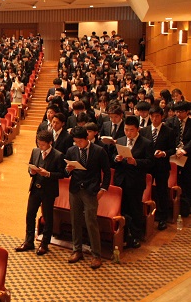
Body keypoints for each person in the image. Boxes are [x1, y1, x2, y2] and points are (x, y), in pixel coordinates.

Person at [65, 126, 110, 269]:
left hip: (91, 190)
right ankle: (77, 250)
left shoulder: (99, 151)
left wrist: (103, 189)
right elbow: (66, 172)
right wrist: (68, 170)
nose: (78, 144)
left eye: (80, 141)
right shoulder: (72, 151)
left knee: (91, 222)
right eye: (75, 141)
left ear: (87, 138)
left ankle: (96, 255)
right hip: (75, 189)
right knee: (75, 220)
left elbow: (107, 172)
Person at [16, 130, 65, 255]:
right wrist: (31, 171)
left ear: (50, 143)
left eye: (43, 144)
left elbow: (62, 174)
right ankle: (28, 241)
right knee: (30, 214)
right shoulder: (35, 151)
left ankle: (44, 244)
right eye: (39, 144)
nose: (40, 147)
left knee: (47, 217)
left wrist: (48, 174)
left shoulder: (58, 155)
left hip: (48, 190)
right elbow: (30, 166)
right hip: (35, 188)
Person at [113, 116, 154, 248]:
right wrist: (116, 159)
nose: (128, 133)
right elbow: (112, 160)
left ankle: (136, 236)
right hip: (120, 180)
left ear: (137, 129)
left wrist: (136, 162)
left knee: (135, 209)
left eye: (131, 130)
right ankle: (124, 236)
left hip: (135, 181)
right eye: (126, 129)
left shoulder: (146, 143)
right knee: (122, 208)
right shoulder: (120, 140)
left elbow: (150, 163)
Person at [139, 105, 176, 230]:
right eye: (152, 116)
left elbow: (172, 149)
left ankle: (162, 218)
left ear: (162, 117)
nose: (154, 119)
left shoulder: (169, 131)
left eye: (157, 116)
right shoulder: (144, 131)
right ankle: (146, 215)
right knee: (146, 190)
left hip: (162, 166)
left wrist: (164, 153)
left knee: (162, 191)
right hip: (148, 166)